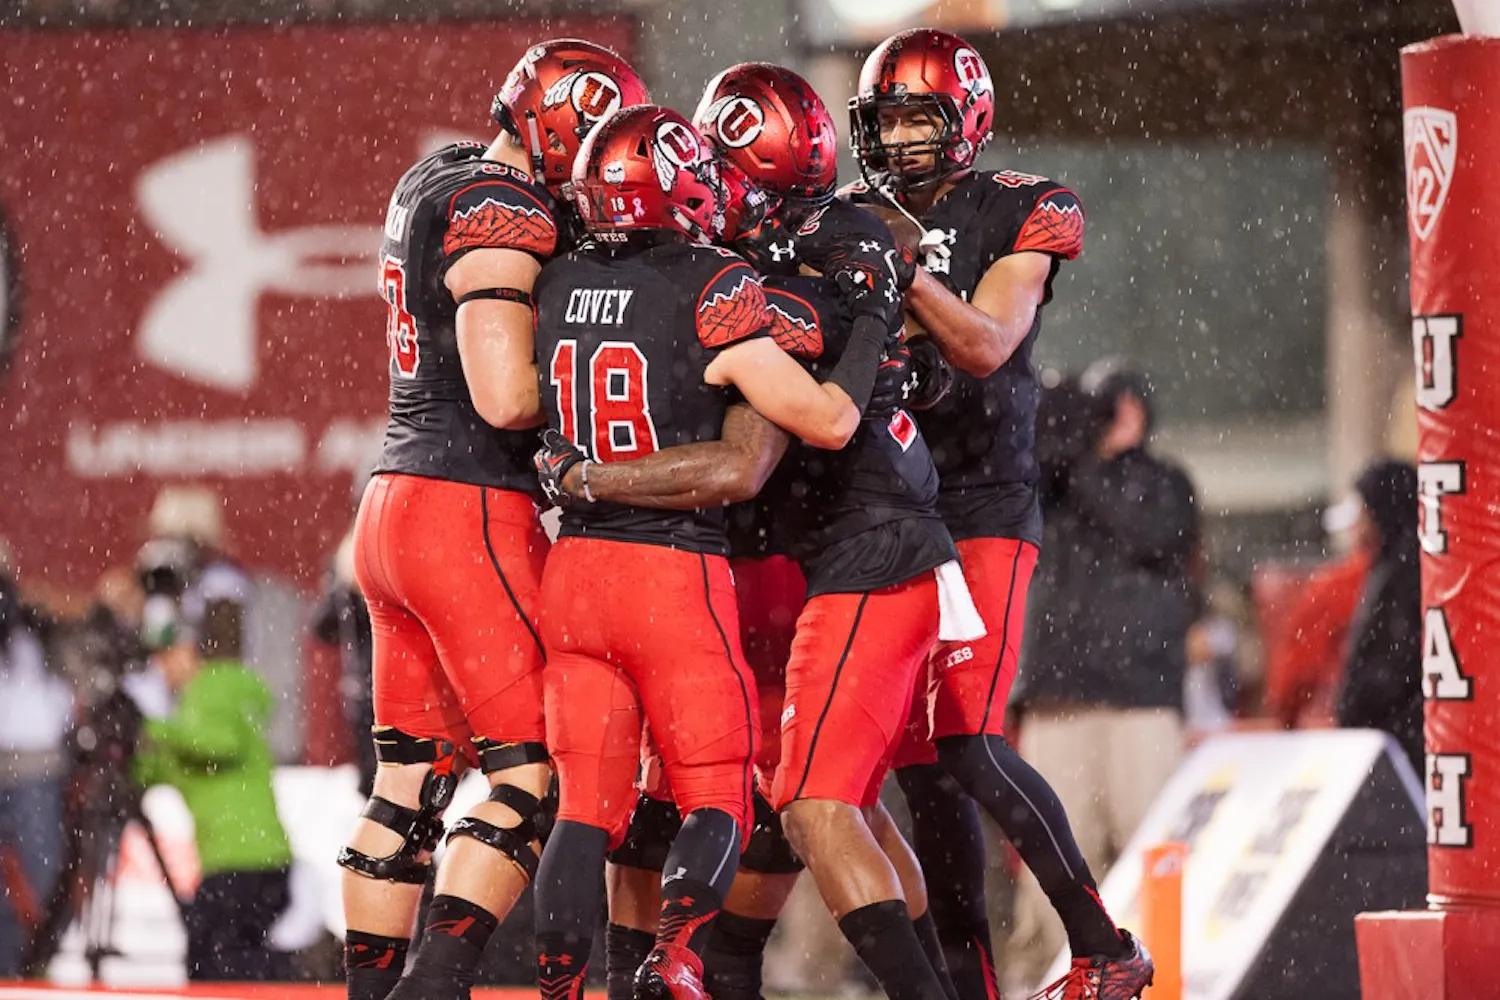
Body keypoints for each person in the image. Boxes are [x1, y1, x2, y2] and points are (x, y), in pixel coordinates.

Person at [534, 114, 971, 1000]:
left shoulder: (566, 277)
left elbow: (777, 443)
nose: (728, 201)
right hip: (726, 572)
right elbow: (802, 425)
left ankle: (625, 976)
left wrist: (580, 476)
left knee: (620, 812)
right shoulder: (732, 275)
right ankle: (677, 964)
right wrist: (882, 319)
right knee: (747, 808)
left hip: (658, 567)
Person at [338, 39, 649, 1000]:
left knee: (409, 782)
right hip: (465, 513)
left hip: (390, 503)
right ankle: (436, 988)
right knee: (530, 777)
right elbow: (506, 394)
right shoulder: (506, 208)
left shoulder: (436, 173)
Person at [846, 28, 1152, 1000]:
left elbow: (983, 346)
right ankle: (968, 984)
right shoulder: (849, 216)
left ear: (964, 120)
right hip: (890, 504)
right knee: (925, 772)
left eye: (916, 120)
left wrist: (906, 272)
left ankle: (1103, 943)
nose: (899, 143)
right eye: (884, 122)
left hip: (982, 500)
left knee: (970, 738)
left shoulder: (1026, 205)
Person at [1009, 358, 1197, 989]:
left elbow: (1148, 531)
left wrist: (1091, 457)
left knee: (1152, 852)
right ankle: (1043, 982)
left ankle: (1163, 979)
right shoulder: (1047, 477)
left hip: (1138, 700)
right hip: (1060, 700)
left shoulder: (1164, 482)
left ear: (1132, 411)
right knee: (1054, 866)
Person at [132, 597, 294, 982]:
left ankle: (296, 975)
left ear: (189, 650)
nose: (160, 667)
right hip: (253, 861)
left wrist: (152, 728)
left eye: (166, 655)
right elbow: (167, 769)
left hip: (242, 862)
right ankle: (292, 974)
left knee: (213, 964)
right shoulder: (194, 709)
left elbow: (220, 744)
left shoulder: (212, 688)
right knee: (224, 959)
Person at [0, 549, 71, 976]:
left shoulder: (36, 628)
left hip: (35, 768)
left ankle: (32, 964)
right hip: (32, 768)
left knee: (44, 879)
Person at [1334, 459, 1421, 772]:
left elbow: (1396, 660)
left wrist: (1361, 704)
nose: (1358, 523)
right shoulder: (1389, 568)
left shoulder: (1403, 575)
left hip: (1400, 745)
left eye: (1364, 511)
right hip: (1389, 741)